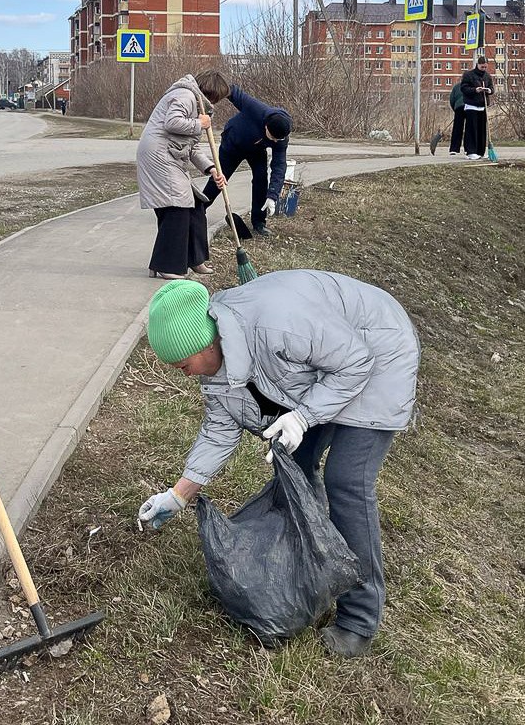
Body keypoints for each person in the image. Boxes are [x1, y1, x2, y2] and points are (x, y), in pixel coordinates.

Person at [137, 272, 419, 658]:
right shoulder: (216, 365)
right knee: (296, 465)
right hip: (329, 368)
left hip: (378, 350)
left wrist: (302, 416)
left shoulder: (278, 322)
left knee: (346, 481)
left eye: (182, 363)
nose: (180, 372)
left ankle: (359, 620)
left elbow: (356, 361)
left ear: (206, 340)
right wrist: (178, 495)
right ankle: (308, 568)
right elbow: (219, 430)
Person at [137, 70, 230, 279]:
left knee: (195, 206)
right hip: (159, 155)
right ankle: (167, 265)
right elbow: (172, 122)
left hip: (171, 155)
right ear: (212, 92)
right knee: (176, 206)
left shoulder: (200, 105)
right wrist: (200, 123)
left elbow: (193, 147)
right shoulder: (186, 95)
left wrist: (212, 169)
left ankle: (194, 259)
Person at [199, 84, 291, 237]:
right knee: (220, 177)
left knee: (261, 179)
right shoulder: (256, 109)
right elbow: (231, 90)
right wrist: (208, 97)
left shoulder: (281, 137)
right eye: (273, 138)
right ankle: (199, 209)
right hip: (233, 143)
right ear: (266, 126)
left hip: (256, 150)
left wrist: (273, 195)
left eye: (278, 139)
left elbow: (279, 165)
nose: (275, 142)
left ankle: (259, 222)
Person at [459, 56, 494, 159]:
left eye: (485, 67)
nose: (483, 69)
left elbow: (492, 88)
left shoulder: (487, 76)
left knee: (482, 130)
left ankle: (481, 151)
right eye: (482, 67)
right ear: (478, 65)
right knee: (472, 129)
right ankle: (471, 151)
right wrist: (475, 90)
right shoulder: (468, 75)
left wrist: (489, 91)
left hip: (483, 107)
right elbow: (464, 88)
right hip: (471, 106)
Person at [447, 79, 466, 158]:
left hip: (458, 107)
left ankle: (454, 149)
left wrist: (455, 108)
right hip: (470, 107)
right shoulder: (472, 85)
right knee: (469, 129)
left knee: (457, 128)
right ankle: (468, 148)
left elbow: (452, 99)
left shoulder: (456, 86)